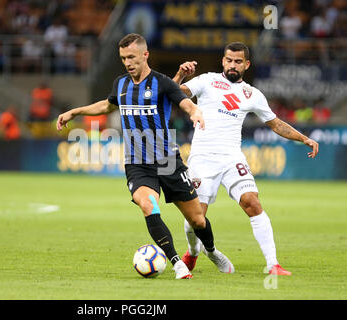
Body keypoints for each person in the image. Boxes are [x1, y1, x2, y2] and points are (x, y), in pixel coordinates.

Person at [57, 33, 234, 279]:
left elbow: (185, 103)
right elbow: (107, 105)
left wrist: (196, 113)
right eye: (123, 58)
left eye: (132, 57)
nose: (128, 62)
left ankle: (212, 251)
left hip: (167, 160)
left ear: (145, 55)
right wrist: (76, 111)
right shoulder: (120, 84)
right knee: (148, 204)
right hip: (137, 161)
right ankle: (176, 263)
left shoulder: (162, 83)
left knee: (198, 220)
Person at [172, 42, 319, 276]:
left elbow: (276, 123)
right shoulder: (206, 80)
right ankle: (194, 252)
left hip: (232, 158)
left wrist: (304, 138)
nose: (232, 65)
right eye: (229, 60)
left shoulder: (253, 94)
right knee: (195, 218)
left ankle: (273, 264)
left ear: (246, 64)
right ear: (223, 61)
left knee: (252, 202)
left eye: (238, 61)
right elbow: (173, 93)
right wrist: (180, 74)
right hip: (202, 158)